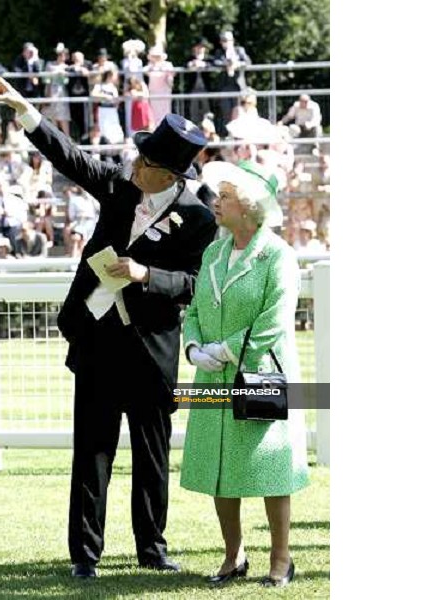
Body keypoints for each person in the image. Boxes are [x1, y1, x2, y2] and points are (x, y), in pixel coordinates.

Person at [0, 66, 217, 578]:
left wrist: (145, 274)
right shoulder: (118, 187)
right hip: (97, 343)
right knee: (91, 454)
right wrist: (25, 110)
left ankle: (152, 550)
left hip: (152, 350)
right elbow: (70, 156)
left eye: (147, 160)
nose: (135, 163)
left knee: (152, 458)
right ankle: (84, 557)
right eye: (138, 155)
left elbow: (196, 285)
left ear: (171, 174)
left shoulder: (200, 219)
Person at [181, 160, 309, 588]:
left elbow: (276, 319)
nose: (216, 203)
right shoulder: (213, 252)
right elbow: (195, 310)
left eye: (225, 197)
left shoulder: (278, 255)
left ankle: (281, 558)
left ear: (250, 207)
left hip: (259, 374)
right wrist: (195, 348)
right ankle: (233, 556)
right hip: (213, 376)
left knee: (270, 467)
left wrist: (229, 350)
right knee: (220, 463)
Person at [213, 31, 251, 135]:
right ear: (221, 42)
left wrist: (237, 64)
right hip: (225, 87)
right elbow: (215, 62)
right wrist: (227, 64)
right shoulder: (219, 52)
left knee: (239, 112)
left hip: (238, 87)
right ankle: (228, 136)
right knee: (226, 113)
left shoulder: (239, 50)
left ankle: (240, 136)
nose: (226, 42)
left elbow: (247, 61)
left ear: (232, 41)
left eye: (228, 40)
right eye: (224, 40)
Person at [145, 44, 175, 127]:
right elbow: (145, 71)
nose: (156, 58)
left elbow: (171, 77)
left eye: (157, 56)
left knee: (165, 111)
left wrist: (170, 81)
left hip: (164, 92)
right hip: (153, 92)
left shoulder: (168, 64)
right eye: (154, 56)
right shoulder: (150, 66)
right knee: (154, 112)